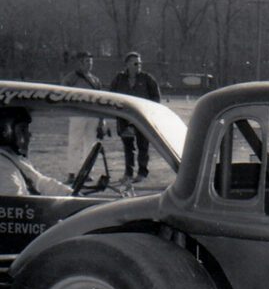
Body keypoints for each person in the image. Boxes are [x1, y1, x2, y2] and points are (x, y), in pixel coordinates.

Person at [109, 52, 160, 182]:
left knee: (143, 146)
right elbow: (111, 95)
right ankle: (128, 173)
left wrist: (150, 112)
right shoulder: (119, 79)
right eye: (135, 63)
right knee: (128, 147)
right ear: (127, 64)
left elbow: (156, 97)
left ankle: (142, 172)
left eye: (140, 63)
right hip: (124, 117)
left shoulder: (147, 79)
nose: (138, 65)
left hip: (142, 117)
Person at [0, 108, 73, 196]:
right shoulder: (3, 166)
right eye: (23, 130)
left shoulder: (12, 158)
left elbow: (40, 182)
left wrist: (69, 193)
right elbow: (13, 200)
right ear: (5, 132)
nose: (29, 135)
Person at [61, 51, 106, 182]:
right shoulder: (71, 78)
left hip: (92, 114)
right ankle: (71, 172)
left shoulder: (95, 80)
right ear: (79, 63)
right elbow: (62, 94)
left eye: (91, 62)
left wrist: (101, 119)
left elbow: (101, 99)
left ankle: (87, 172)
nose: (89, 64)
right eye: (87, 62)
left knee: (90, 144)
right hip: (78, 114)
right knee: (75, 143)